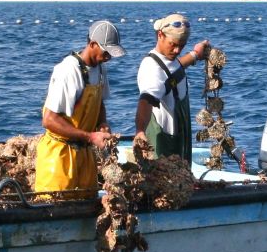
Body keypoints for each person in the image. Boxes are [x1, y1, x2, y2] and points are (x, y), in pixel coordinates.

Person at [33, 19, 127, 199]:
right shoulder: (68, 71)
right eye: (106, 52)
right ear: (92, 44)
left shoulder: (100, 69)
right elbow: (49, 120)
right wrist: (91, 136)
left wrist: (103, 123)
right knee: (55, 205)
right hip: (59, 156)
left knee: (87, 203)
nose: (109, 57)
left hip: (84, 154)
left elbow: (99, 103)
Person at [134, 13, 210, 163]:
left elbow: (174, 69)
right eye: (173, 44)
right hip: (163, 147)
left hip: (180, 143)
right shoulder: (151, 68)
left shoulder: (170, 60)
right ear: (160, 35)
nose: (177, 50)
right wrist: (140, 131)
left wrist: (195, 55)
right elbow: (146, 100)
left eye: (181, 46)